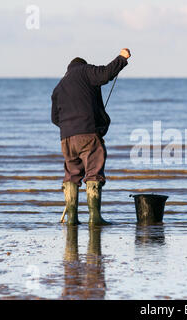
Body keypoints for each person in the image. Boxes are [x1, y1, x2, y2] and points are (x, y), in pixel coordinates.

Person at [51, 49, 131, 226]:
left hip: (66, 139)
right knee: (93, 173)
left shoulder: (59, 86)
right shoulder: (85, 71)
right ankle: (95, 218)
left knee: (72, 175)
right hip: (87, 134)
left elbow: (54, 118)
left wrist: (70, 128)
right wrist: (122, 58)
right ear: (82, 65)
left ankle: (72, 219)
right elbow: (105, 74)